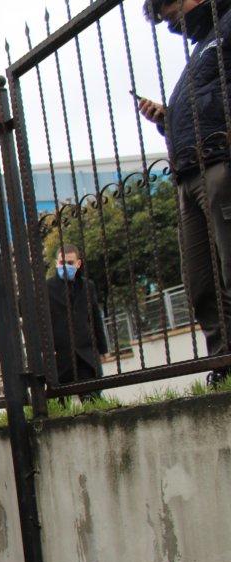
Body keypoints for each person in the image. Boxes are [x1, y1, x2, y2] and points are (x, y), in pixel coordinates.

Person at [140, 0, 231, 386]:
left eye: (171, 10)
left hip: (220, 164)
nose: (172, 23)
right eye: (164, 21)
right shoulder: (203, 46)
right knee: (201, 284)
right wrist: (168, 117)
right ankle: (225, 363)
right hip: (189, 173)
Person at [47, 245, 109, 402]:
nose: (65, 266)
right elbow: (39, 322)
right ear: (56, 263)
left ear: (78, 264)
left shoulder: (88, 286)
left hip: (86, 354)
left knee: (93, 400)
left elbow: (95, 318)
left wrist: (102, 349)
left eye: (70, 262)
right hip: (60, 356)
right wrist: (46, 349)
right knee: (61, 404)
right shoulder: (46, 288)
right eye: (62, 263)